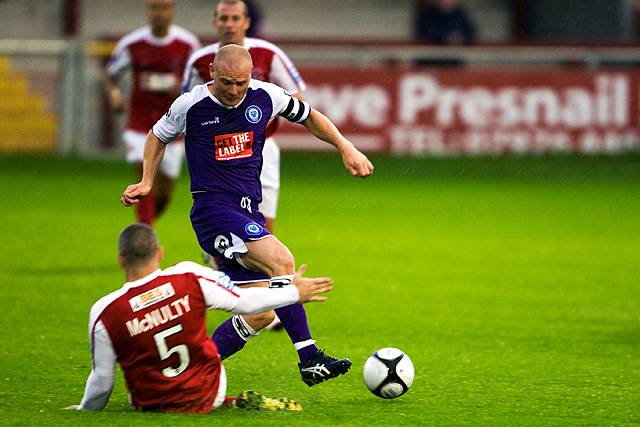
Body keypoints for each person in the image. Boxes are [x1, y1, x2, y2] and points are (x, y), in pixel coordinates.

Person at [121, 45, 373, 386]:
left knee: (260, 313)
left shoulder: (266, 96)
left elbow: (311, 116)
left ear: (252, 75)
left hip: (245, 210)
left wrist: (346, 147)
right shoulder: (191, 104)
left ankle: (187, 371)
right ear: (211, 72)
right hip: (213, 211)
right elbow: (156, 135)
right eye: (227, 82)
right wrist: (147, 180)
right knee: (281, 261)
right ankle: (310, 357)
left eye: (241, 83)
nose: (234, 90)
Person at [66, 223, 333, 413]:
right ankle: (227, 399)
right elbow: (247, 301)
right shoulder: (188, 277)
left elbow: (102, 381)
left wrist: (84, 410)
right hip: (208, 392)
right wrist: (294, 292)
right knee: (258, 312)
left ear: (120, 260)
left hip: (152, 404)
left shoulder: (104, 311)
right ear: (159, 253)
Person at [183, 0, 305, 234]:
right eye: (224, 18)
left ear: (246, 22)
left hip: (263, 147)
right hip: (218, 151)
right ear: (215, 22)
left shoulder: (268, 53)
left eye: (235, 18)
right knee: (222, 220)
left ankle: (256, 268)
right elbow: (188, 108)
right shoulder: (199, 60)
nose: (230, 25)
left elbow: (297, 95)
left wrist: (261, 115)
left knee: (265, 228)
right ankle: (219, 258)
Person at [106, 0, 200, 224]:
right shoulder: (132, 44)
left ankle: (143, 230)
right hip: (140, 124)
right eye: (155, 8)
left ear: (172, 11)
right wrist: (114, 94)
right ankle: (145, 245)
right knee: (144, 181)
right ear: (148, 11)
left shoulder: (187, 43)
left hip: (173, 125)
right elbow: (111, 75)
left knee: (165, 194)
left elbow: (199, 80)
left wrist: (181, 88)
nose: (159, 13)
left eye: (164, 8)